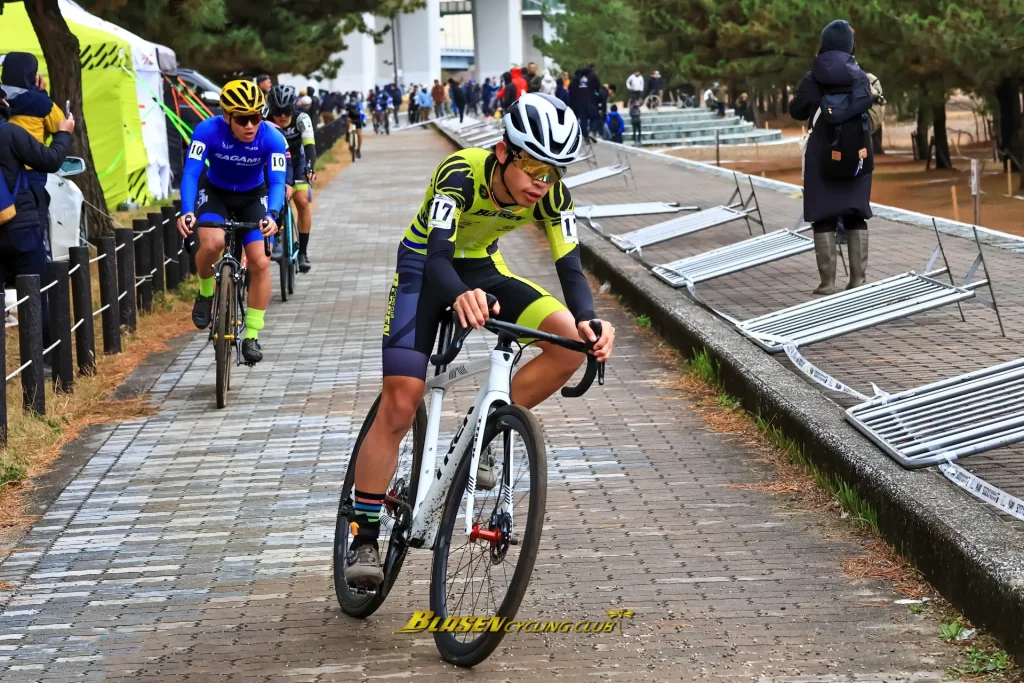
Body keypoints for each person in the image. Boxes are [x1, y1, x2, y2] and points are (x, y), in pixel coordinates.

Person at [344, 93, 616, 587]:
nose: (542, 181)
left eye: (554, 171)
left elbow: (570, 266)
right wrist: (459, 296)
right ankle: (364, 535)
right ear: (504, 150)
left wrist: (589, 321)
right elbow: (438, 258)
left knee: (564, 342)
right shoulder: (460, 173)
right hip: (425, 269)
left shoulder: (552, 194)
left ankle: (486, 424)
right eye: (533, 164)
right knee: (402, 402)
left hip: (482, 268)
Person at [176, 80, 287, 365]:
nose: (250, 125)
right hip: (216, 193)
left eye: (256, 117)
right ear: (227, 117)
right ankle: (204, 294)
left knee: (260, 262)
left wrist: (272, 215)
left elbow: (276, 181)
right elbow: (190, 174)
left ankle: (251, 334)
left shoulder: (272, 137)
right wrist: (187, 211)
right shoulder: (206, 131)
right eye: (242, 119)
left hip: (254, 196)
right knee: (212, 243)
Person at [790, 19, 873, 295]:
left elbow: (797, 111)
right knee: (855, 212)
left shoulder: (812, 77)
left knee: (823, 215)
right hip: (857, 152)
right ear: (849, 46)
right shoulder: (860, 75)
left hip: (821, 152)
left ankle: (827, 283)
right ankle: (858, 280)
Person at [0, 85, 74, 341]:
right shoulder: (10, 133)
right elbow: (51, 160)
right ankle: (45, 360)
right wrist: (63, 134)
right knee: (35, 295)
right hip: (21, 226)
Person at [1, 53, 66, 248]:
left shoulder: (1, 97)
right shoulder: (41, 104)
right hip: (31, 175)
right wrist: (42, 95)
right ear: (33, 74)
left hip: (4, 171)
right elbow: (60, 124)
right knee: (32, 234)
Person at [266, 85, 317, 273]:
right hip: (275, 162)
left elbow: (310, 146)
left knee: (302, 201)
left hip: (297, 162)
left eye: (287, 110)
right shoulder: (264, 119)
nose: (282, 116)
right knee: (273, 196)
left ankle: (302, 251)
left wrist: (310, 168)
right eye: (278, 111)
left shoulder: (302, 118)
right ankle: (277, 234)